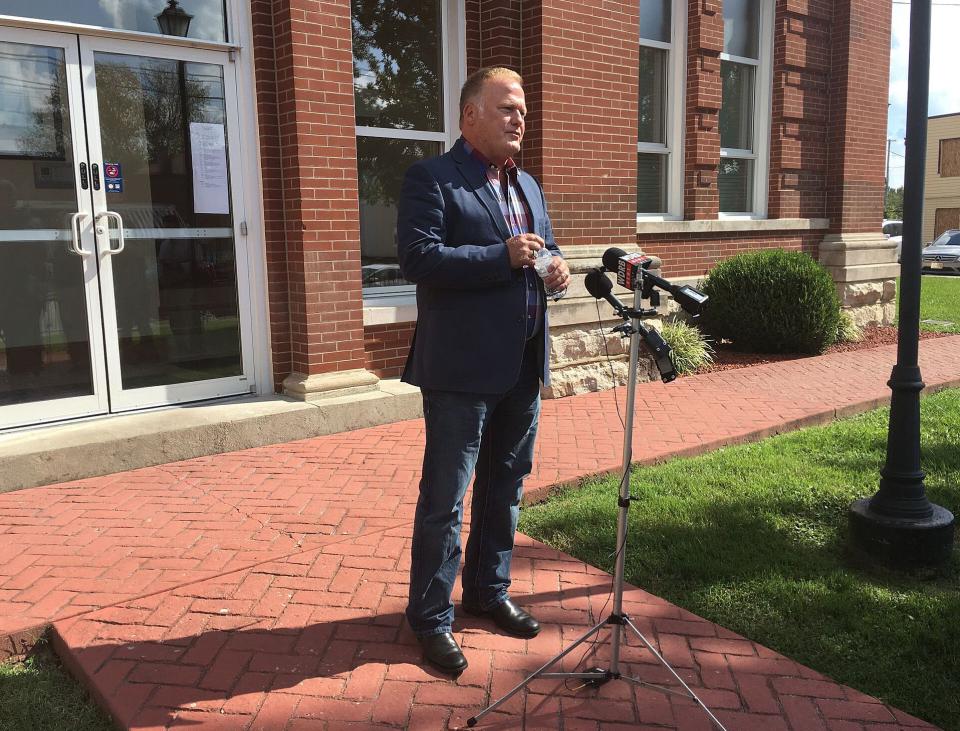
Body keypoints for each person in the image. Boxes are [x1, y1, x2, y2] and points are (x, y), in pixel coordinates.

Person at [397, 66, 571, 675]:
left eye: (522, 110)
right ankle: (430, 618)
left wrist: (556, 265)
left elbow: (544, 247)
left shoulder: (529, 187)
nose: (519, 118)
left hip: (522, 363)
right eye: (506, 108)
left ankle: (488, 591)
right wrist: (501, 257)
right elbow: (419, 259)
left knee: (507, 485)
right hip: (460, 372)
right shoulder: (434, 179)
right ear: (470, 115)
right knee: (446, 499)